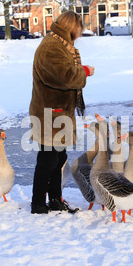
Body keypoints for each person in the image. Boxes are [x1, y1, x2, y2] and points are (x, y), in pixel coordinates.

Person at [29, 11, 95, 214]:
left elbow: (64, 73)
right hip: (49, 112)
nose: (80, 34)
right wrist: (84, 71)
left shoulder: (59, 44)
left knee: (58, 158)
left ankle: (55, 199)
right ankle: (38, 203)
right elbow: (63, 77)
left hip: (59, 112)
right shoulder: (51, 47)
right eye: (79, 30)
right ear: (72, 28)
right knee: (47, 159)